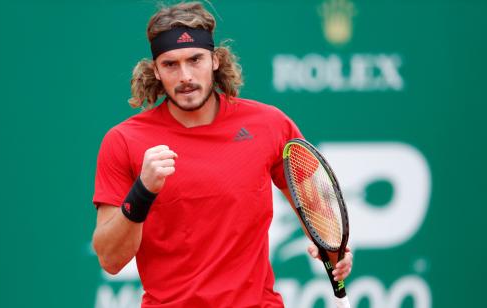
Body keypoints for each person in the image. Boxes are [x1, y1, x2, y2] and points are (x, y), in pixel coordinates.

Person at [92, 2, 353, 307]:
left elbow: (320, 217)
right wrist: (142, 192)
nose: (185, 75)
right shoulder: (124, 141)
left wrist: (337, 254)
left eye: (195, 59)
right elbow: (110, 259)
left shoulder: (270, 125)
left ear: (215, 61)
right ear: (156, 71)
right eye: (171, 64)